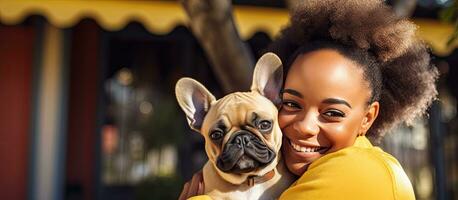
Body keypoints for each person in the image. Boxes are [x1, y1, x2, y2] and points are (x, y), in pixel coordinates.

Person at [179, 0, 438, 199]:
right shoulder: (302, 174)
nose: (304, 126)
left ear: (367, 118)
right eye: (291, 104)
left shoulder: (361, 172)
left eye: (332, 112)